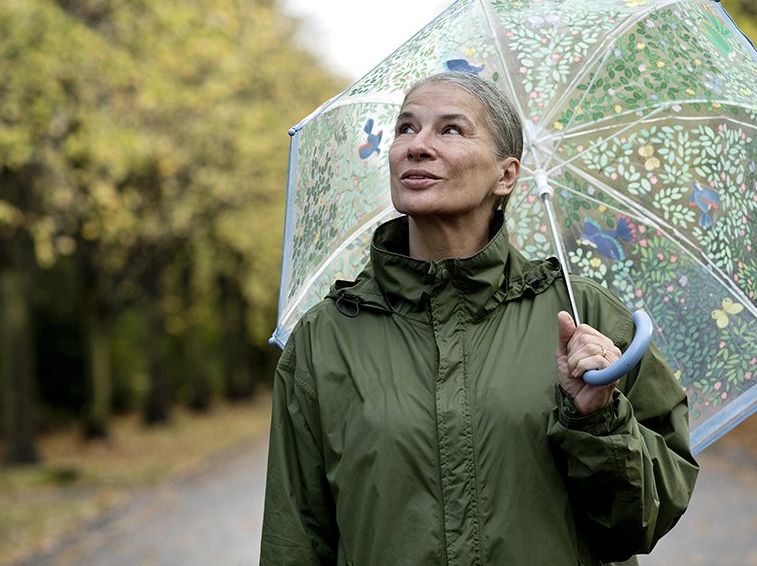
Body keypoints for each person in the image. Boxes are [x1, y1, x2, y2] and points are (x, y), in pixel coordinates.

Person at [260, 72, 698, 566]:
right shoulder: (325, 339)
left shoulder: (584, 317)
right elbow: (295, 536)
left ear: (506, 175)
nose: (416, 146)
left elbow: (644, 519)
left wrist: (597, 420)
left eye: (450, 130)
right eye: (406, 128)